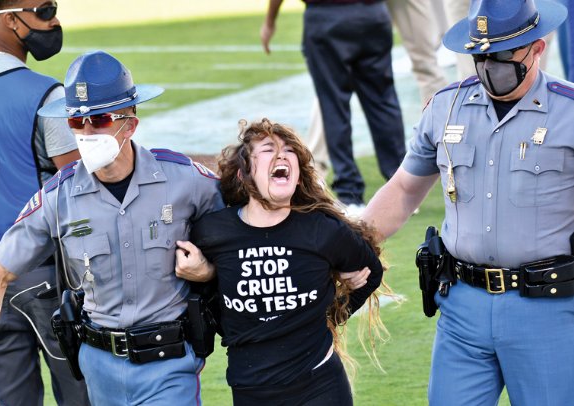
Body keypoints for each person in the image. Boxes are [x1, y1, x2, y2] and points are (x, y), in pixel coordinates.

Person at [0, 50, 225, 406]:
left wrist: (207, 270)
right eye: (76, 121)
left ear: (130, 123)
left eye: (99, 119)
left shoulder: (185, 181)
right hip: (98, 370)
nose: (86, 131)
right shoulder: (58, 197)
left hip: (169, 365)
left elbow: (243, 236)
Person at [362, 0, 574, 404]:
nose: (488, 65)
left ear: (537, 48)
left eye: (500, 55)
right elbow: (405, 189)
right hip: (462, 306)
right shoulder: (447, 106)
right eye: (480, 54)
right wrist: (350, 244)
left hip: (547, 311)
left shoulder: (570, 111)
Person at [176, 118, 386, 405]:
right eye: (267, 150)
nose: (281, 155)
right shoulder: (212, 232)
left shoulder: (322, 230)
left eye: (289, 151)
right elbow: (201, 294)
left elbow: (371, 271)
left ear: (298, 176)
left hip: (320, 385)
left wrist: (335, 313)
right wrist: (208, 276)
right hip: (251, 388)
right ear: (244, 175)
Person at [0, 1, 88, 405]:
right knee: (82, 396)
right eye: (45, 9)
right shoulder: (46, 94)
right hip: (46, 274)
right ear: (11, 19)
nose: (54, 20)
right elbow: (80, 188)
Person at [261, 0, 407, 212]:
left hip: (327, 16)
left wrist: (270, 21)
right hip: (372, 14)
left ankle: (351, 193)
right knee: (382, 100)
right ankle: (401, 185)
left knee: (334, 105)